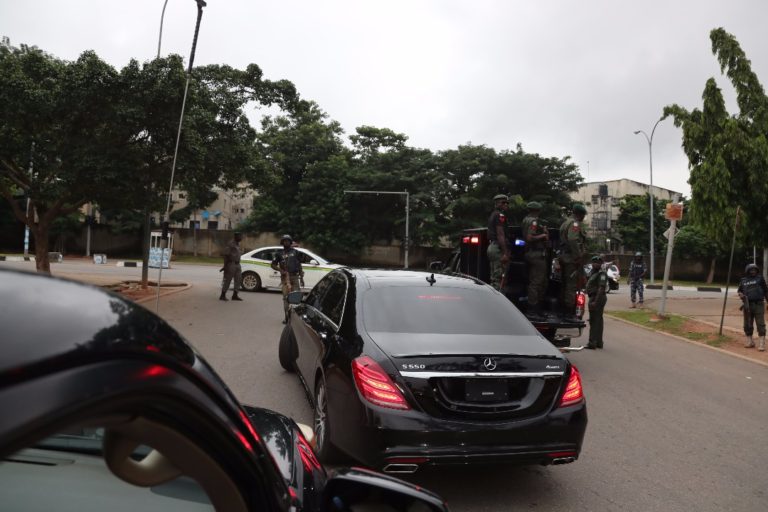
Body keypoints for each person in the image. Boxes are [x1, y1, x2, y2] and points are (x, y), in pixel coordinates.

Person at [558, 203, 588, 319]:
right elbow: (573, 239)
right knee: (571, 285)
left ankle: (563, 309)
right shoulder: (574, 223)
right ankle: (569, 312)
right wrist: (578, 256)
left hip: (564, 256)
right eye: (583, 216)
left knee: (565, 285)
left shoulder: (565, 222)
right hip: (571, 258)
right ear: (579, 215)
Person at [521, 201, 549, 318]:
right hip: (536, 254)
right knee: (537, 282)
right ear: (537, 210)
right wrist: (543, 236)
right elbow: (529, 237)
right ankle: (533, 310)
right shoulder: (533, 221)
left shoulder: (525, 220)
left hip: (530, 253)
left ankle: (535, 309)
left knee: (536, 281)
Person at [272, 234, 305, 323]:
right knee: (286, 297)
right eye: (284, 241)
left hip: (294, 277)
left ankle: (295, 318)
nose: (286, 242)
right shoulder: (279, 254)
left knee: (296, 297)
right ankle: (286, 317)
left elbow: (299, 265)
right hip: (285, 278)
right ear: (282, 242)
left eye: (288, 241)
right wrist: (280, 270)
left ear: (290, 242)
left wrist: (301, 278)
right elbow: (273, 264)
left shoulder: (296, 252)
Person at [737, 263, 768, 351]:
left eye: (755, 269)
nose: (753, 271)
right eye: (751, 270)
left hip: (758, 304)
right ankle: (750, 341)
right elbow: (739, 291)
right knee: (747, 324)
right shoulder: (743, 280)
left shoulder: (760, 278)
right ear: (748, 271)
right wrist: (741, 294)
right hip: (747, 305)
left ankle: (762, 343)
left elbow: (766, 291)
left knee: (760, 324)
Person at [487, 194, 511, 291]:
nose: (506, 204)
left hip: (493, 246)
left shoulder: (493, 214)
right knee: (500, 278)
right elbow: (500, 234)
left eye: (507, 202)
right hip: (498, 248)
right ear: (497, 204)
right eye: (503, 202)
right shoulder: (500, 215)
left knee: (494, 278)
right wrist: (505, 253)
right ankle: (499, 303)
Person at [585, 255, 608, 349]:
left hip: (597, 298)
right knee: (598, 320)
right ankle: (599, 342)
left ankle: (592, 343)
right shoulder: (593, 272)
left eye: (597, 262)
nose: (595, 264)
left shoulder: (601, 274)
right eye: (594, 262)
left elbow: (601, 288)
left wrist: (595, 302)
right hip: (594, 297)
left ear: (601, 264)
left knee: (594, 320)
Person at [219, 231, 243, 301]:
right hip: (231, 264)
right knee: (228, 280)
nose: (241, 238)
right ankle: (222, 295)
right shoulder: (230, 244)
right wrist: (225, 266)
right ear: (235, 237)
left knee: (238, 280)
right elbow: (226, 255)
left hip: (238, 264)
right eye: (240, 236)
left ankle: (235, 295)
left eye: (241, 236)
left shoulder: (238, 244)